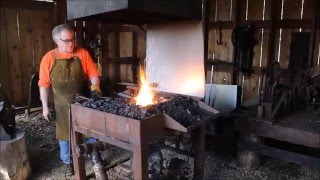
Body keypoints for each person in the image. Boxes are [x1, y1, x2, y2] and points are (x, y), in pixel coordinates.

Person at [38, 24, 101, 175]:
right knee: (65, 135)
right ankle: (68, 162)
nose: (71, 43)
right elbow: (44, 85)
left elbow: (93, 74)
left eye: (73, 39)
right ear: (56, 41)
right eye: (66, 41)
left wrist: (95, 89)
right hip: (62, 104)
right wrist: (45, 107)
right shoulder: (49, 58)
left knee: (91, 131)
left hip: (84, 102)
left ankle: (95, 155)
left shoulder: (82, 53)